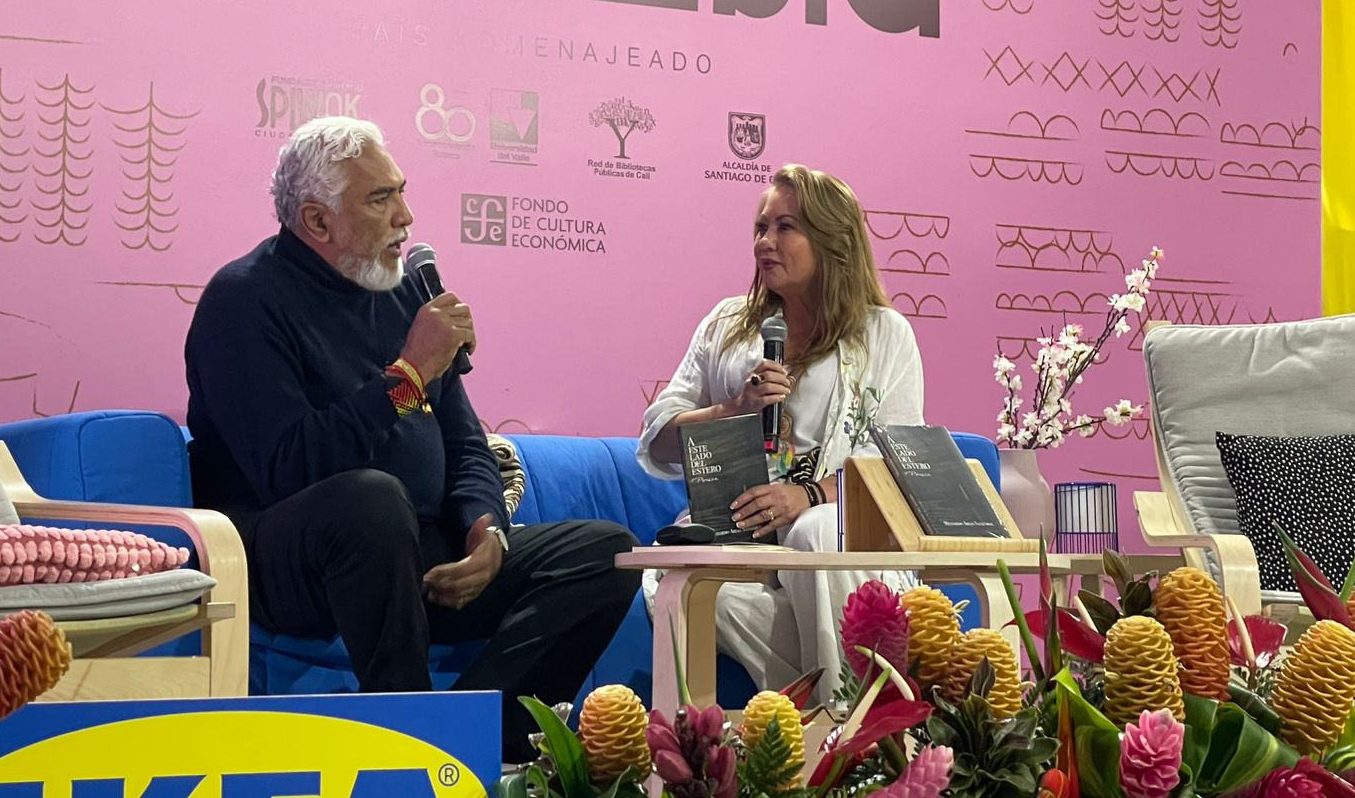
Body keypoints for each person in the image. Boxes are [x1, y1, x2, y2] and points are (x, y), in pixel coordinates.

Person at [185, 116, 639, 763]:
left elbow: (466, 442)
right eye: (381, 199)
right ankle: (407, 745)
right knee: (371, 500)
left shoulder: (402, 292)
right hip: (289, 557)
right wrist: (409, 376)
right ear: (317, 221)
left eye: (401, 191)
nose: (406, 216)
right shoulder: (242, 302)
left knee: (605, 552)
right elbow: (290, 468)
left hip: (414, 551)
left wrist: (486, 529)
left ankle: (465, 739)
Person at [637, 165, 924, 694]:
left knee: (818, 532)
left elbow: (893, 463)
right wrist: (734, 409)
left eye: (785, 227)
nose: (764, 242)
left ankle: (840, 720)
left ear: (832, 240)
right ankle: (857, 714)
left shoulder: (885, 334)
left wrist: (808, 496)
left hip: (836, 530)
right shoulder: (726, 325)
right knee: (689, 585)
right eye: (760, 227)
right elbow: (658, 438)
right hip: (740, 536)